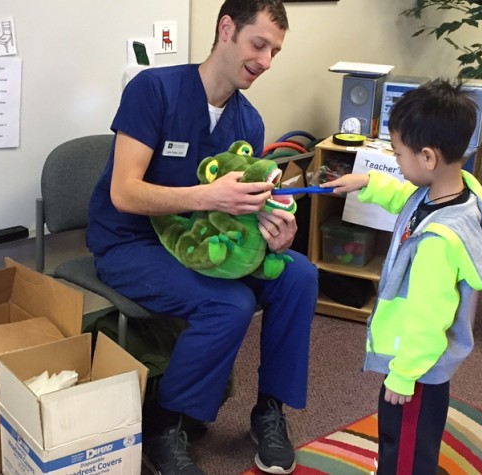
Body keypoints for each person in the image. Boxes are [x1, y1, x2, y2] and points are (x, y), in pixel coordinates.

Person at [86, 1, 318, 474]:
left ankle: (269, 410)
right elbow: (125, 192)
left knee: (299, 275)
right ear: (226, 29)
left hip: (206, 246)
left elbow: (240, 209)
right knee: (229, 303)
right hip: (129, 245)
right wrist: (209, 198)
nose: (266, 61)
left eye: (275, 51)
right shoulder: (153, 90)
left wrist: (273, 231)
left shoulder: (247, 122)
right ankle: (164, 425)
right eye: (259, 44)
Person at [321, 79, 482, 475]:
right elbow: (406, 198)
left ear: (429, 157)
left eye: (398, 154)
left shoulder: (437, 242)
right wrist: (366, 182)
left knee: (404, 450)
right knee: (407, 444)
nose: (397, 162)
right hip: (419, 366)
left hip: (415, 368)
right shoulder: (455, 191)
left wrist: (402, 376)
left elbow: (427, 317)